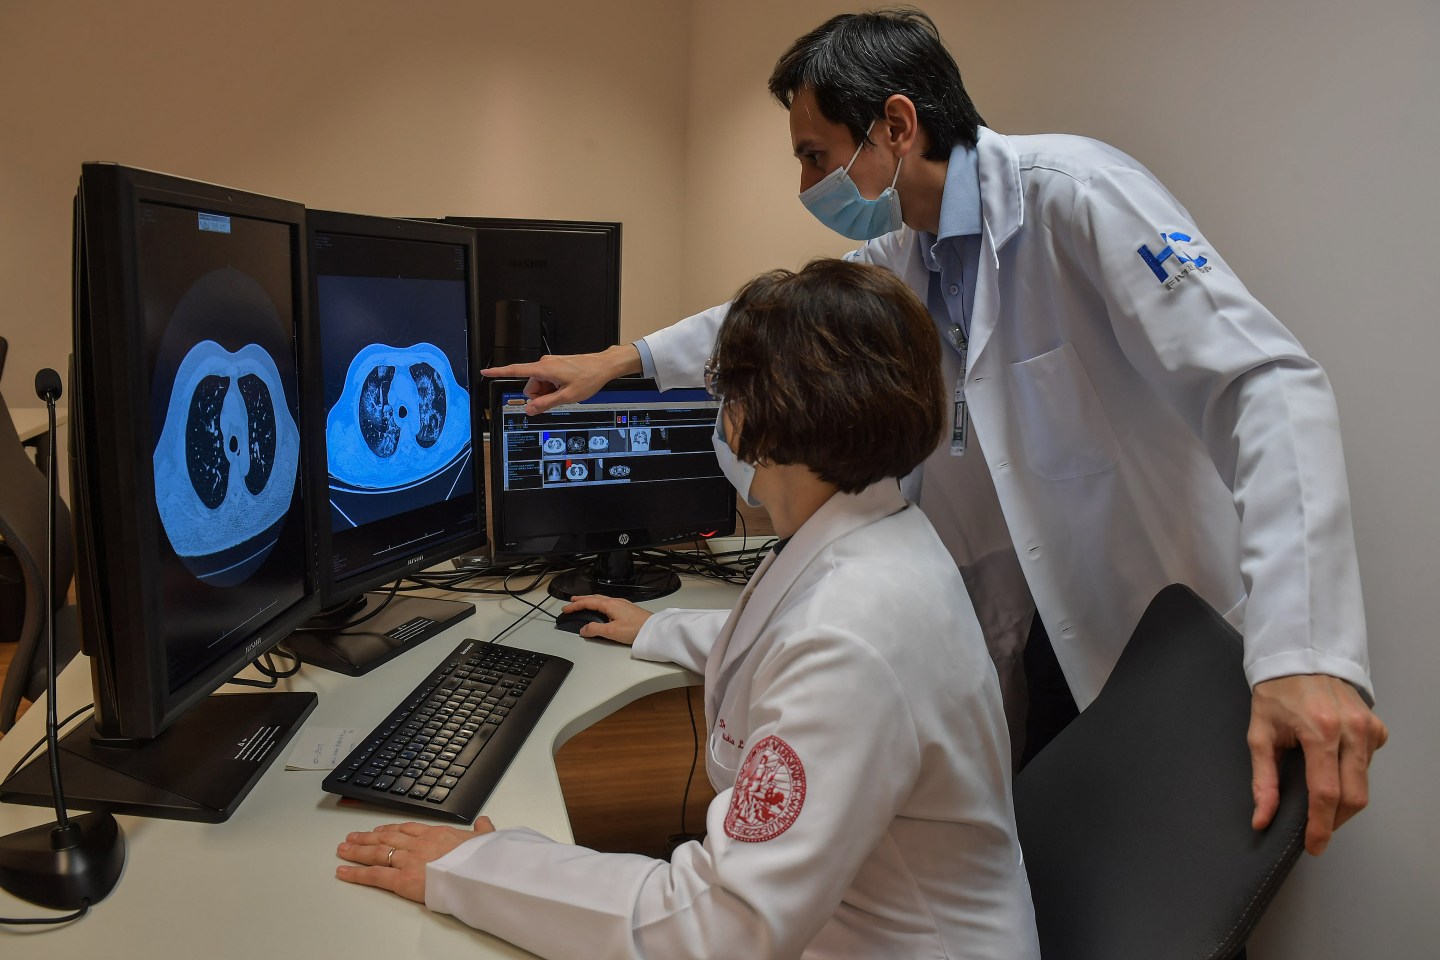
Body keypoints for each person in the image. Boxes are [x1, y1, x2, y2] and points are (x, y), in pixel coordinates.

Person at [482, 8, 1387, 856]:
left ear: (896, 126)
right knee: (1056, 862)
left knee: (1152, 876)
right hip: (1026, 621)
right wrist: (624, 359)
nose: (805, 187)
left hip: (1148, 611)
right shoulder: (908, 251)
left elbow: (1265, 382)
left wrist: (1304, 649)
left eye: (814, 156)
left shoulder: (1077, 196)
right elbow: (780, 315)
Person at [335, 259, 1041, 960]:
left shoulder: (848, 640)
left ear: (760, 418)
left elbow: (714, 929)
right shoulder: (882, 539)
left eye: (720, 388)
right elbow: (790, 646)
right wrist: (660, 627)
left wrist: (477, 871)